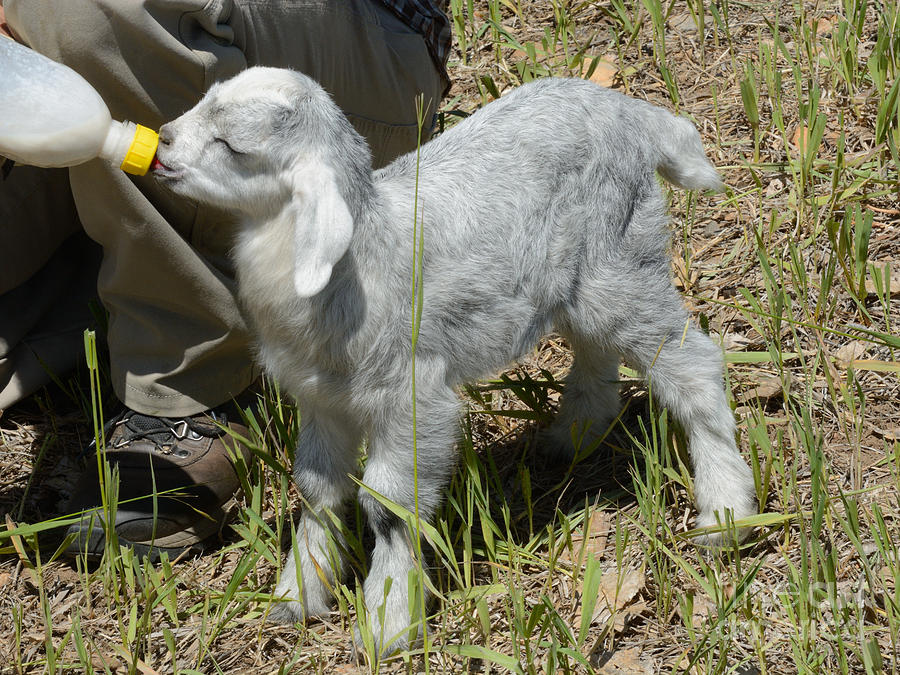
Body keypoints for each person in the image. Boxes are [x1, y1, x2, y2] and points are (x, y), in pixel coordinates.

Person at [0, 0, 450, 559]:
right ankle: (124, 252)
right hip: (73, 50)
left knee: (81, 9)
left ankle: (186, 376)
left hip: (351, 40)